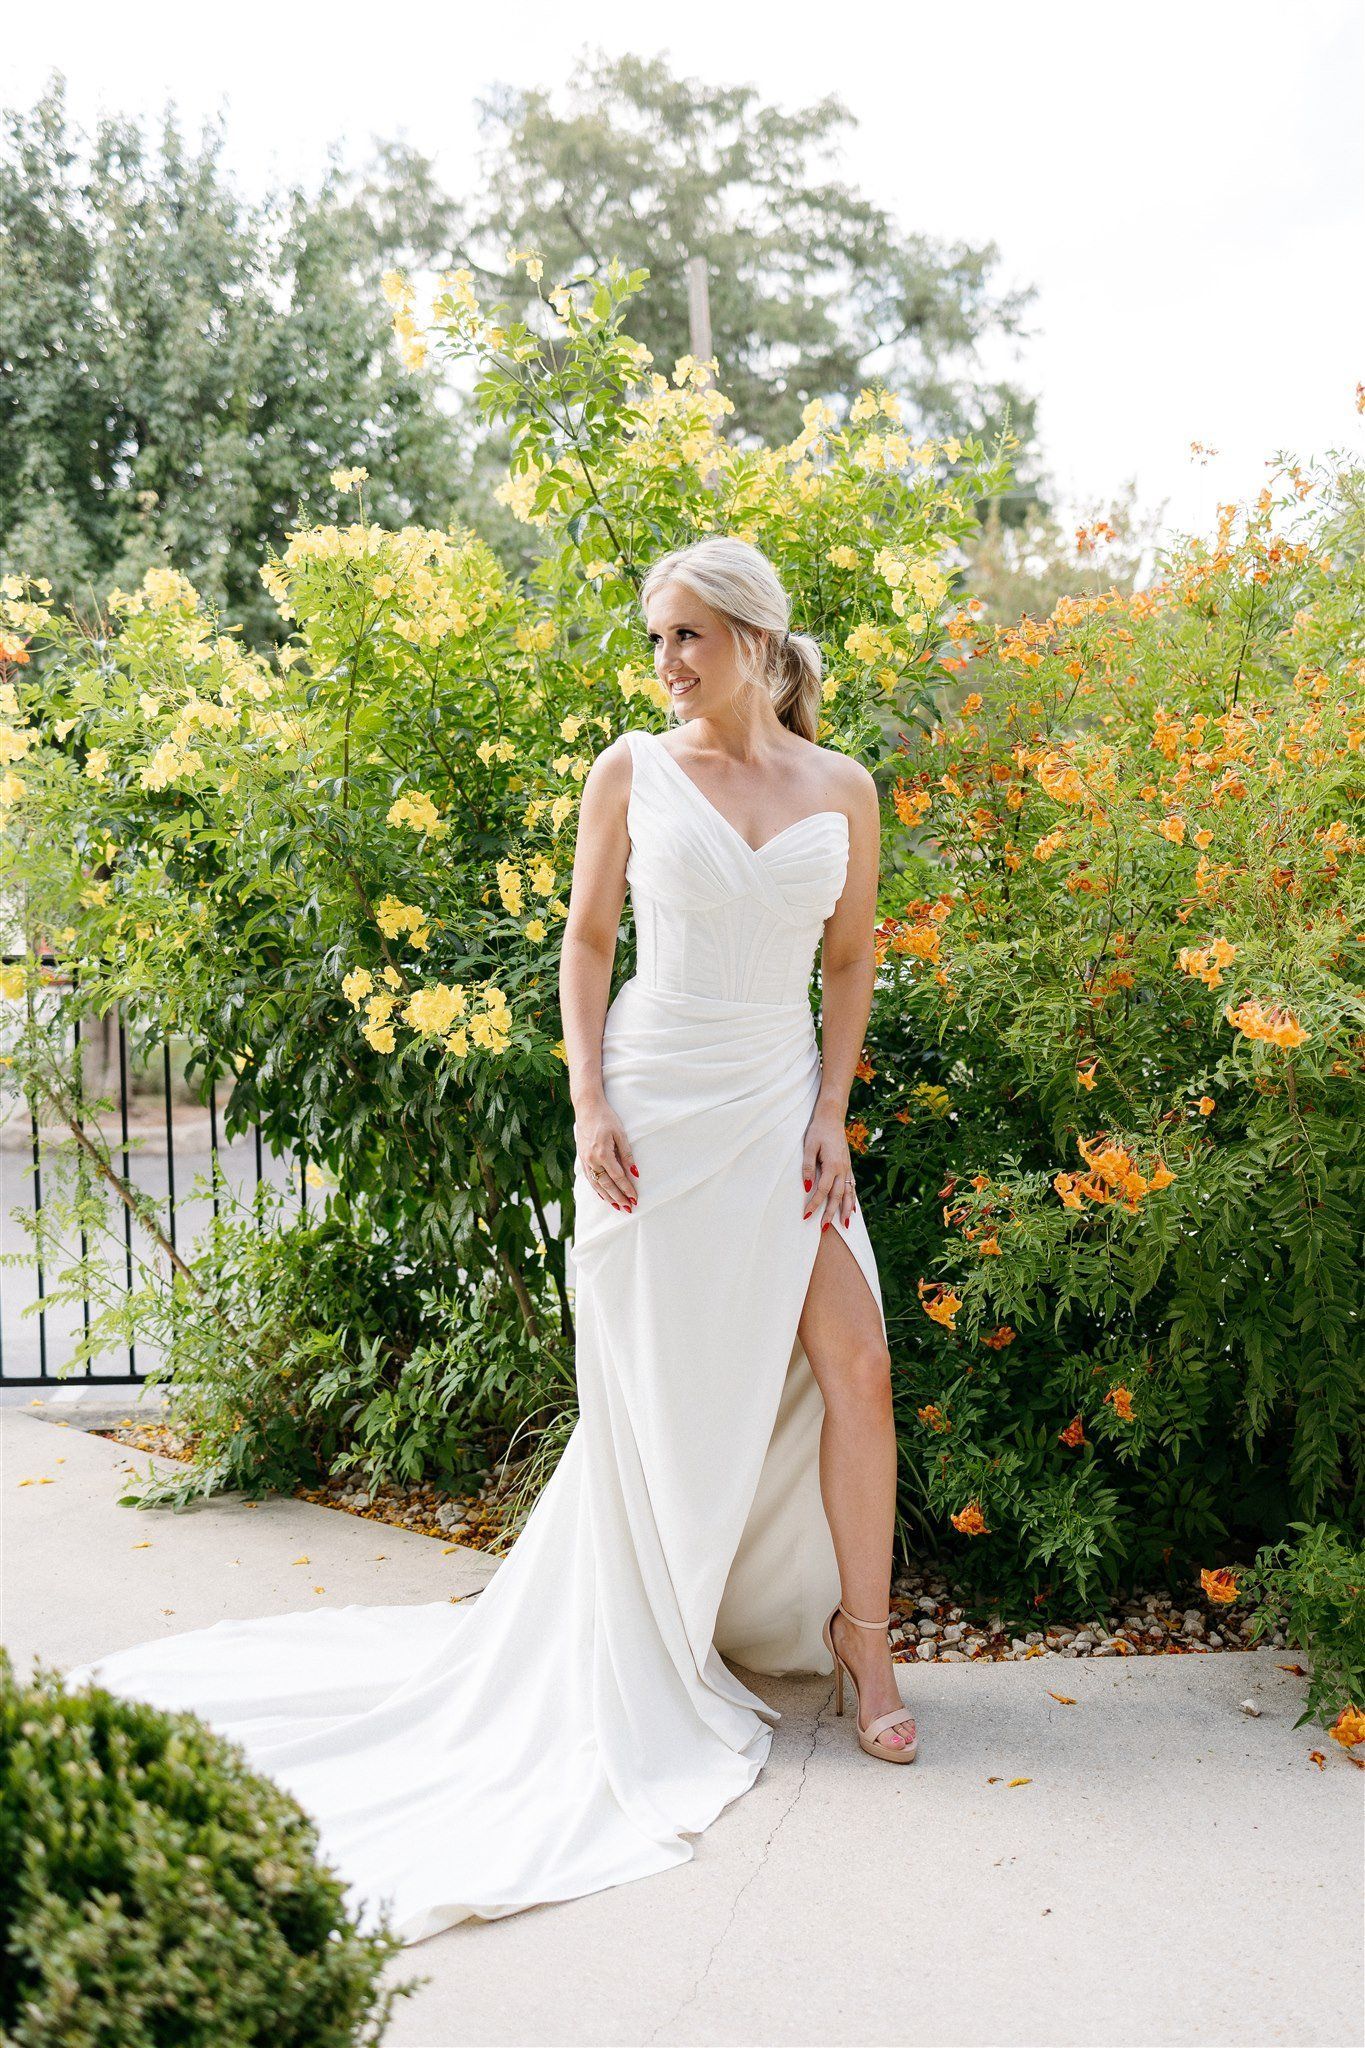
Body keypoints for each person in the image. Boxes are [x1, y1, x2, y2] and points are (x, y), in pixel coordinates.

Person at [64, 535, 917, 1948]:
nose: (665, 664)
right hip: (653, 1107)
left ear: (755, 642)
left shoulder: (841, 787)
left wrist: (831, 1108)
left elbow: (845, 957)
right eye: (657, 641)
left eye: (689, 637)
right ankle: (646, 1636)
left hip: (779, 1110)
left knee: (859, 1366)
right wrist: (587, 1100)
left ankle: (866, 1653)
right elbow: (586, 944)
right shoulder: (632, 771)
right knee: (660, 1402)